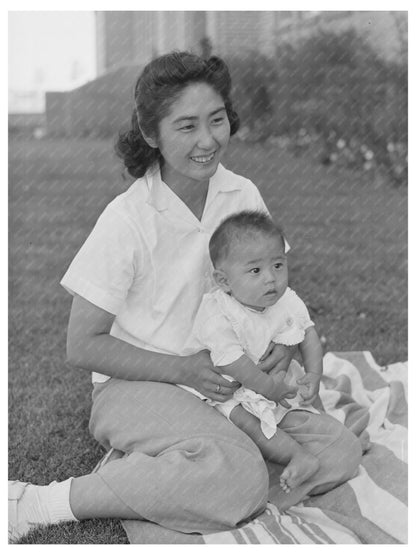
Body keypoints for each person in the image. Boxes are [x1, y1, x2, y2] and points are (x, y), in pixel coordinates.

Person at [8, 51, 362, 542]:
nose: (207, 141)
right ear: (151, 133)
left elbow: (271, 284)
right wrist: (181, 370)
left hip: (233, 383)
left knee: (339, 452)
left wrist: (280, 343)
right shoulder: (127, 218)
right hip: (139, 384)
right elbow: (82, 344)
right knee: (240, 477)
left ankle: (186, 474)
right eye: (187, 126)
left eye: (217, 120)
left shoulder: (242, 194)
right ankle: (39, 502)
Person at [180, 210, 329, 494]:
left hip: (270, 376)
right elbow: (231, 362)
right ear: (224, 281)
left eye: (277, 265)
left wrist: (314, 373)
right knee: (244, 420)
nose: (271, 279)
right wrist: (268, 388)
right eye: (255, 271)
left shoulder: (286, 300)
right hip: (227, 385)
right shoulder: (218, 312)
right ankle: (296, 455)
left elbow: (307, 332)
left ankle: (324, 427)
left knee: (306, 394)